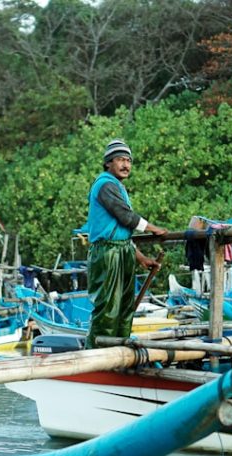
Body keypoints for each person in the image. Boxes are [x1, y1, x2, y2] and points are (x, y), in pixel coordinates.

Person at [84, 139, 167, 348]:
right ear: (108, 163)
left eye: (129, 161)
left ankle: (119, 351)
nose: (126, 165)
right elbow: (125, 216)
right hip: (107, 253)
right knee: (108, 308)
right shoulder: (105, 185)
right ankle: (99, 353)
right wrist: (153, 228)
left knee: (125, 307)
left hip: (122, 251)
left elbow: (122, 235)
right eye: (121, 160)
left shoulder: (117, 186)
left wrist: (141, 258)